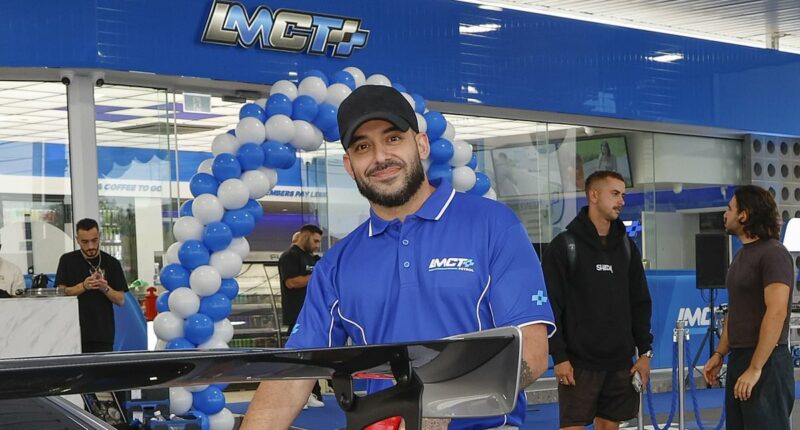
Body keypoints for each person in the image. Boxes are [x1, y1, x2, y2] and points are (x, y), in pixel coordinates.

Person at [242, 85, 555, 430]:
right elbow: (293, 376)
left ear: (420, 144)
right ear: (349, 165)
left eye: (393, 139)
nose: (380, 157)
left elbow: (532, 352)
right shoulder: (337, 263)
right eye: (363, 146)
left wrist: (431, 417)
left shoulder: (493, 224)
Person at [542, 170, 653, 430]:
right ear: (593, 195)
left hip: (620, 363)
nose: (621, 201)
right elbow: (550, 306)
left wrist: (644, 353)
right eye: (614, 194)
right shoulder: (563, 246)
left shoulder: (627, 247)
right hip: (578, 363)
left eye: (623, 195)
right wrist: (558, 357)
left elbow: (640, 302)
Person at [703, 185, 794, 429]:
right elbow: (736, 310)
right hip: (740, 359)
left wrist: (756, 368)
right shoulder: (742, 256)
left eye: (729, 209)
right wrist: (719, 354)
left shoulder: (774, 254)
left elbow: (776, 312)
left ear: (744, 215)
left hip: (768, 363)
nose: (725, 214)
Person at [55, 218, 128, 353]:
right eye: (85, 242)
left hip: (102, 333)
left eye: (94, 240)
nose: (91, 246)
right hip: (71, 331)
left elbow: (120, 299)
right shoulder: (67, 260)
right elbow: (60, 292)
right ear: (77, 240)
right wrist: (83, 286)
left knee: (102, 373)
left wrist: (104, 288)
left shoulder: (112, 263)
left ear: (99, 236)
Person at [278, 223, 324, 408]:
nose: (317, 245)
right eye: (315, 240)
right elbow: (292, 282)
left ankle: (311, 392)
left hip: (313, 314)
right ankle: (291, 394)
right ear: (305, 236)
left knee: (312, 356)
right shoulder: (289, 257)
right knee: (296, 356)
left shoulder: (312, 258)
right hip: (296, 313)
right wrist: (318, 275)